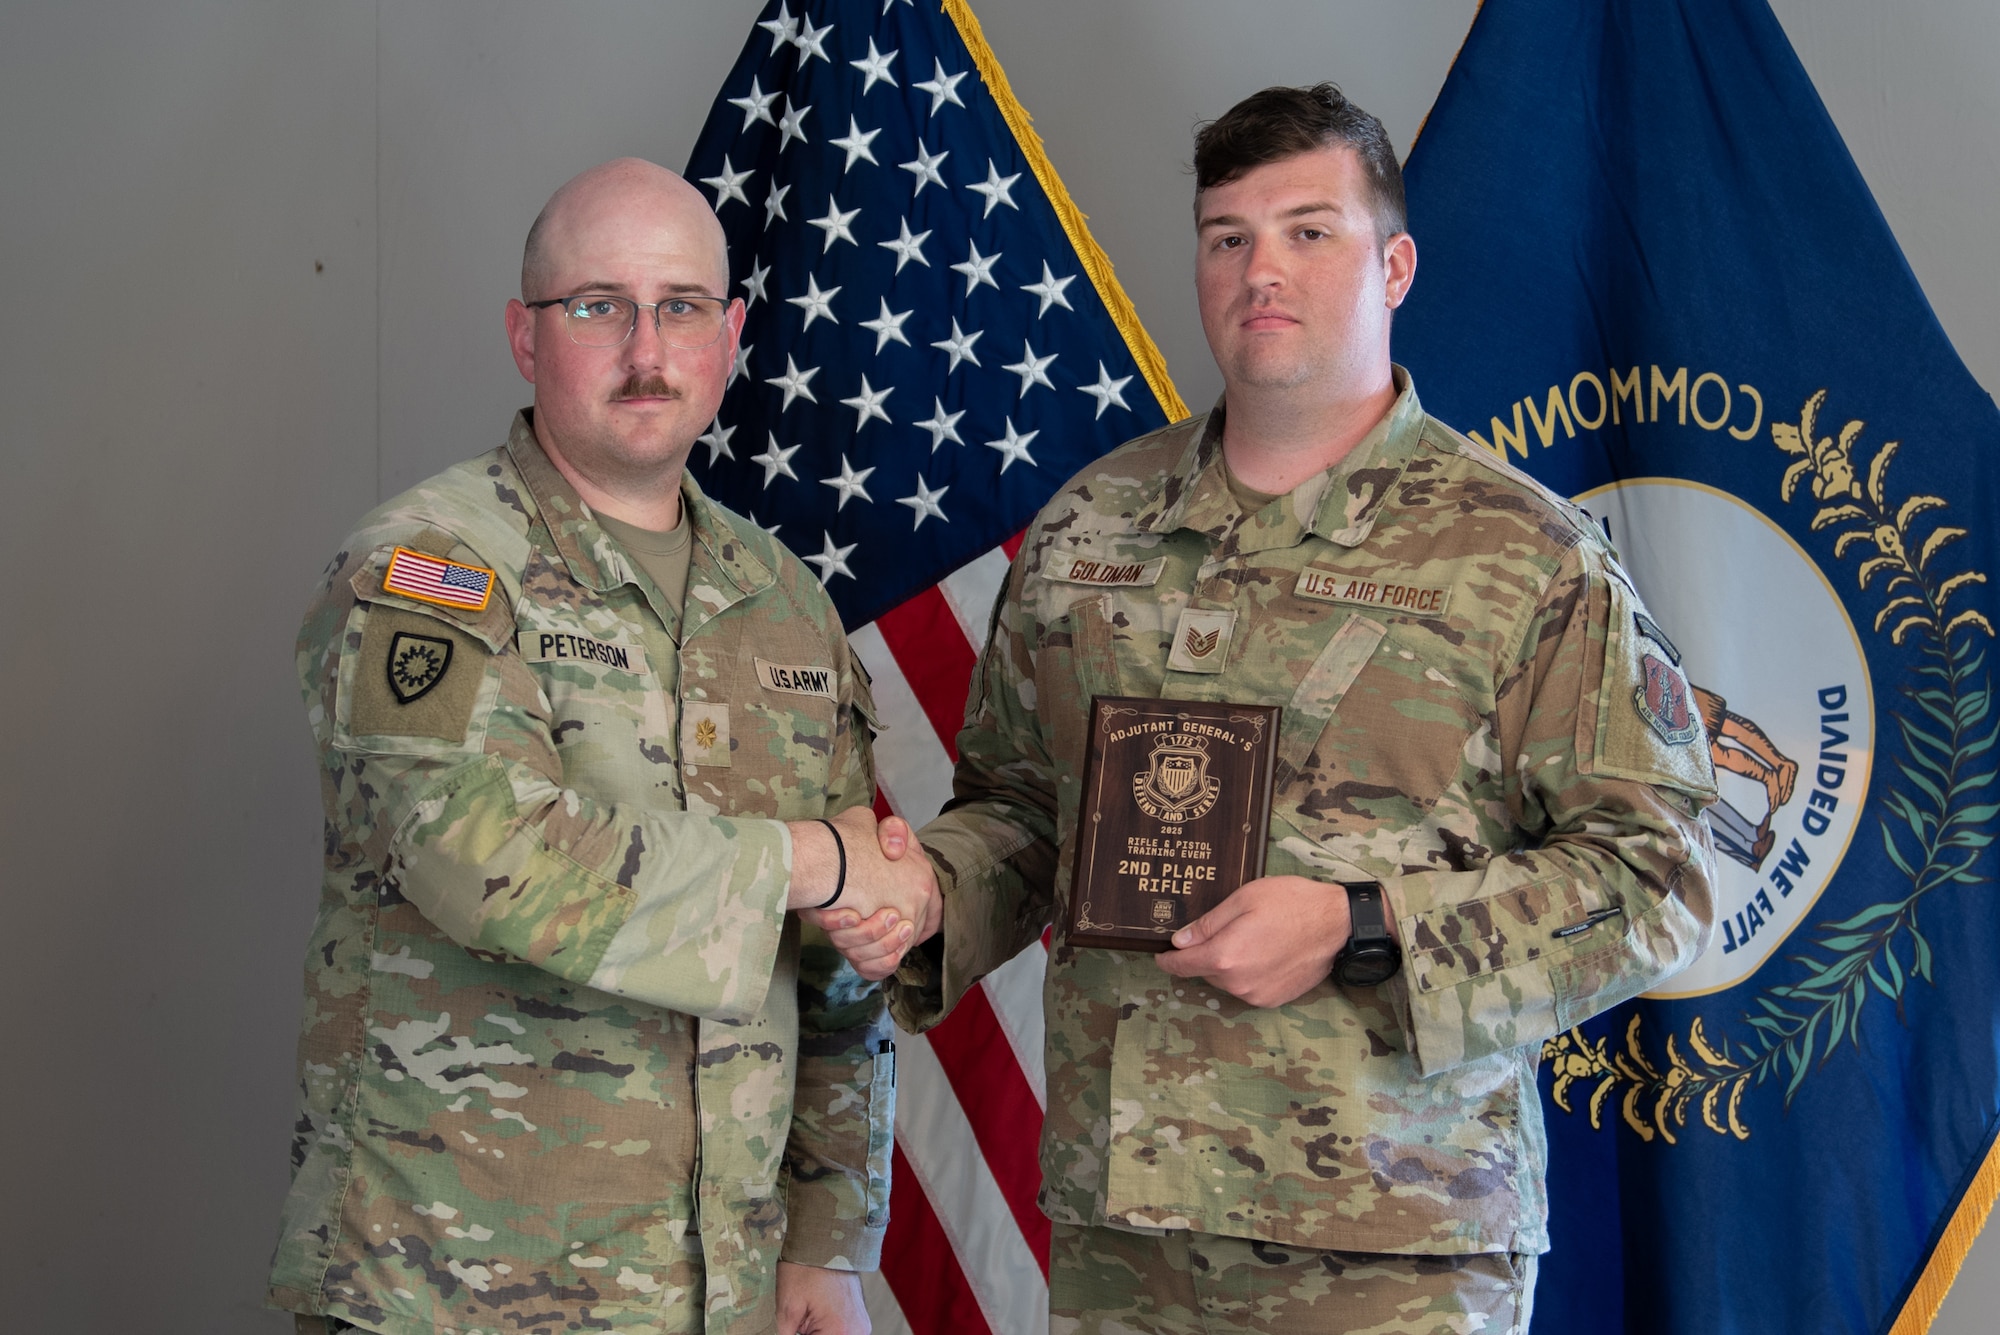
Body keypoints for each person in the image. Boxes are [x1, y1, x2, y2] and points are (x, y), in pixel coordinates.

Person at [836, 84, 1720, 1333]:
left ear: (1394, 264)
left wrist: (1360, 926)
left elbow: (1656, 879)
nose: (1262, 270)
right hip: (1125, 1224)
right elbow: (1027, 811)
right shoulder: (1091, 525)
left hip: (1388, 1241)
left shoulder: (1521, 555)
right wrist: (928, 896)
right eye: (1227, 237)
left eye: (1309, 230)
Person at [267, 158, 933, 1335]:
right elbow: (480, 853)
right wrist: (805, 860)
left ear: (730, 335)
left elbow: (835, 965)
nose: (646, 346)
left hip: (719, 1288)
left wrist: (826, 1241)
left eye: (680, 306)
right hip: (453, 1285)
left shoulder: (780, 599)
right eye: (597, 307)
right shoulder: (426, 571)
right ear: (525, 338)